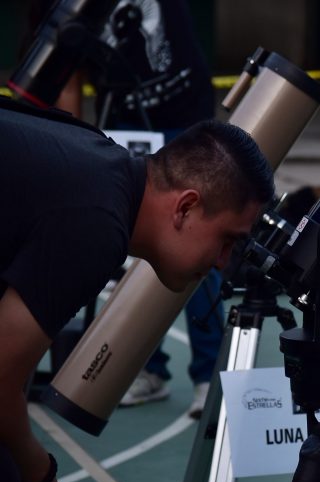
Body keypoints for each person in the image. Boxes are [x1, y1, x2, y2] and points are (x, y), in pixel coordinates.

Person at [0, 97, 274, 482]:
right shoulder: (97, 225)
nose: (221, 262)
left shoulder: (99, 162)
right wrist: (39, 471)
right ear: (185, 208)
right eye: (227, 240)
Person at [25, 0, 225, 416]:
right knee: (133, 251)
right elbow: (67, 73)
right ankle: (149, 370)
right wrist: (75, 146)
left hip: (185, 117)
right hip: (122, 121)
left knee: (197, 243)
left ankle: (210, 375)